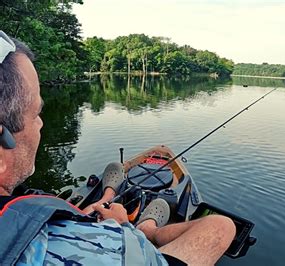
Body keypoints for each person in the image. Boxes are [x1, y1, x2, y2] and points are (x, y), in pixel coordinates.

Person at [0, 30, 235, 265]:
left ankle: (107, 195)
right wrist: (122, 226)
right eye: (36, 114)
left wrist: (82, 215)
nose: (41, 123)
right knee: (221, 226)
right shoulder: (104, 252)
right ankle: (148, 229)